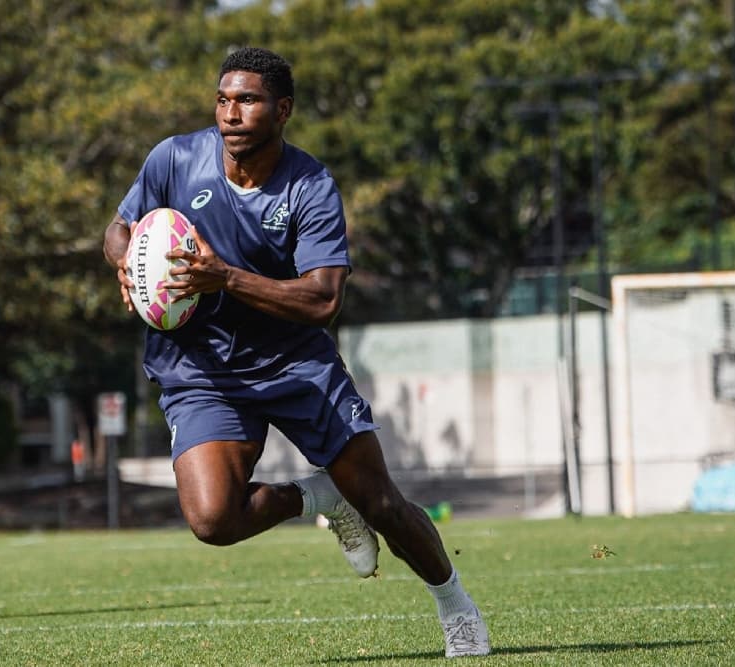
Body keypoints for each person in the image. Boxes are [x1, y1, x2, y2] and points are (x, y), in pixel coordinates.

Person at [103, 47, 490, 658]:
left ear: (282, 110)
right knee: (213, 519)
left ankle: (456, 606)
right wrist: (126, 261)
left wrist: (224, 278)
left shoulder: (311, 187)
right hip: (201, 366)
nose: (231, 113)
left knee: (382, 502)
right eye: (224, 99)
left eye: (249, 100)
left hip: (295, 364)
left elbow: (322, 301)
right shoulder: (174, 158)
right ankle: (316, 496)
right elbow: (121, 226)